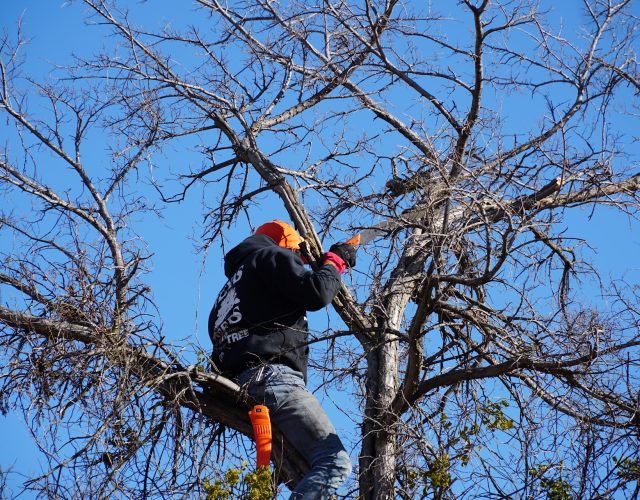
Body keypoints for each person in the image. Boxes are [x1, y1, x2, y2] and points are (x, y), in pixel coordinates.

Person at [208, 220, 356, 499]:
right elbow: (315, 292)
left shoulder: (225, 294)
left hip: (242, 391)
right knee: (333, 462)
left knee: (305, 475)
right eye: (297, 258)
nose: (299, 263)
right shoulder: (272, 256)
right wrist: (334, 262)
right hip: (276, 380)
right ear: (287, 245)